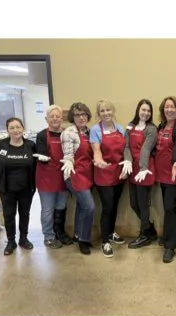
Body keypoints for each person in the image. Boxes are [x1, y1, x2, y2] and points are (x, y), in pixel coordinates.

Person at [0, 118, 38, 256]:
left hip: (26, 188)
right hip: (6, 189)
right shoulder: (0, 145)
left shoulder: (30, 145)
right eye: (12, 128)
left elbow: (38, 166)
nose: (15, 130)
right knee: (9, 215)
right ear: (7, 130)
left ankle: (23, 239)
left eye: (18, 127)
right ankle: (11, 241)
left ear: (23, 128)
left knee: (25, 214)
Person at [149, 95, 176, 260]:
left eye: (172, 107)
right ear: (162, 110)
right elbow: (156, 148)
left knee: (168, 207)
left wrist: (175, 163)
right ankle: (174, 236)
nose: (169, 110)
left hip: (174, 174)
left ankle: (170, 246)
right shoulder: (161, 126)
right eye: (166, 107)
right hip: (161, 174)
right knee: (169, 207)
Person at [89, 102, 130, 254]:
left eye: (108, 110)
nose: (106, 113)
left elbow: (126, 149)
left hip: (119, 173)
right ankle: (105, 241)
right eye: (102, 111)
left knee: (115, 205)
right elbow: (96, 150)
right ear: (98, 114)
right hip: (103, 173)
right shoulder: (95, 130)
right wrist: (98, 161)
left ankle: (111, 232)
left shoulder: (120, 128)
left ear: (113, 111)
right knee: (107, 207)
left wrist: (126, 166)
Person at [123, 100, 163, 251]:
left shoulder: (151, 129)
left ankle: (144, 234)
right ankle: (150, 230)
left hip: (144, 170)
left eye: (148, 111)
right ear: (138, 110)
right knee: (134, 204)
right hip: (132, 169)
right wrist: (127, 160)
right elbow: (126, 146)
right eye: (143, 110)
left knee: (143, 204)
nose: (145, 113)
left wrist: (143, 167)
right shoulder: (130, 126)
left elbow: (146, 149)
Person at [31, 103, 69, 246]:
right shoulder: (42, 135)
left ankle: (60, 233)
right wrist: (42, 157)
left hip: (64, 176)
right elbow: (42, 154)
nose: (54, 119)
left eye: (57, 116)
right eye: (51, 116)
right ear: (46, 119)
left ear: (61, 118)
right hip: (46, 178)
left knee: (61, 207)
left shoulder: (67, 133)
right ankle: (48, 236)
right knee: (47, 210)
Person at [61, 103, 95, 255]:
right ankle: (84, 240)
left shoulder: (90, 132)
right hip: (74, 173)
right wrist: (68, 161)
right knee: (89, 206)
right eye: (77, 115)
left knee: (82, 206)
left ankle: (77, 235)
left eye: (84, 114)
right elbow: (68, 153)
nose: (81, 118)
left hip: (88, 174)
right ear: (72, 117)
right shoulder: (68, 133)